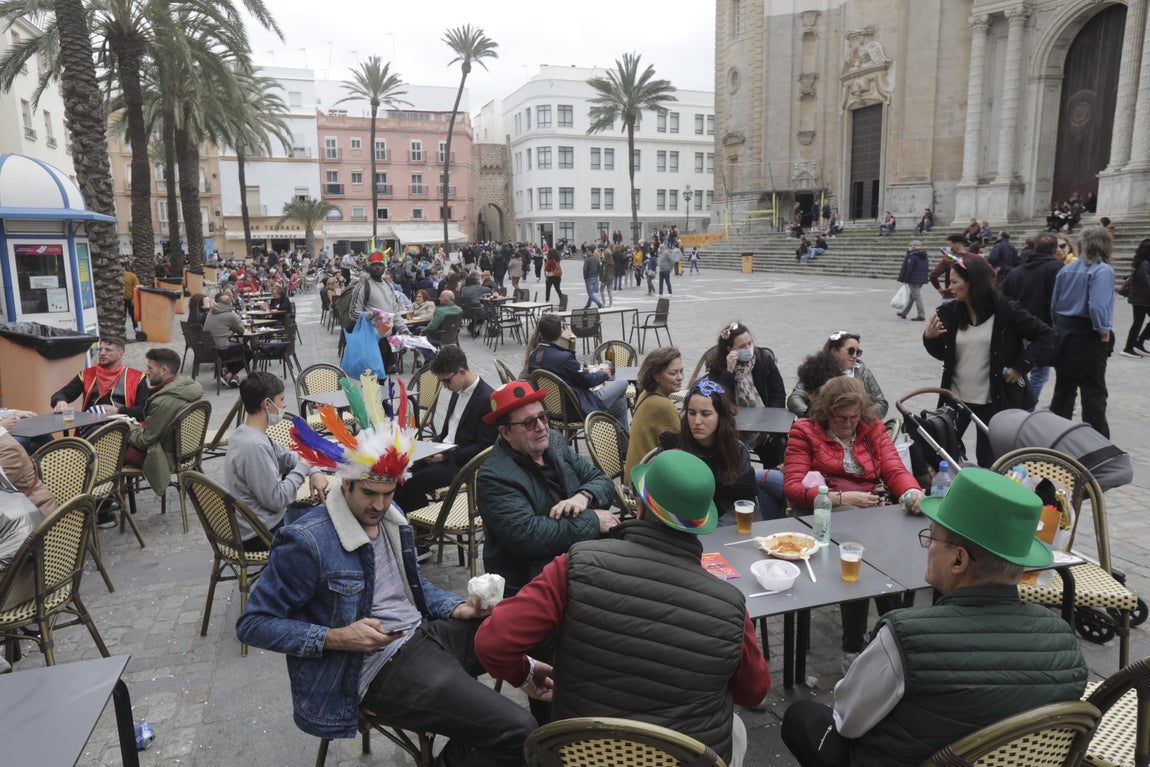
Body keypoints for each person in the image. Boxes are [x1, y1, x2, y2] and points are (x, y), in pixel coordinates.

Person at [235, 417, 537, 764]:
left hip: (425, 633)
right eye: (369, 493)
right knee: (520, 730)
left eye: (388, 493)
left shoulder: (390, 516)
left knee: (532, 630)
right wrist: (335, 637)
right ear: (345, 484)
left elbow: (409, 583)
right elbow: (252, 624)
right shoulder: (307, 541)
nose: (379, 505)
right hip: (378, 668)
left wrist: (456, 608)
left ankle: (557, 746)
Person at [475, 450, 771, 767]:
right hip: (682, 759)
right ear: (701, 525)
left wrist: (526, 674)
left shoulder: (575, 565)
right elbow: (754, 693)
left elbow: (491, 642)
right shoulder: (730, 606)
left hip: (583, 756)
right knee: (735, 730)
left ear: (641, 505)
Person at [781, 468, 1088, 767]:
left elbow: (847, 720)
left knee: (801, 716)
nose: (927, 545)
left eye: (932, 537)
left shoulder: (906, 636)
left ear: (958, 560)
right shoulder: (1065, 642)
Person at [783, 377, 924, 667]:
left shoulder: (870, 428)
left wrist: (910, 492)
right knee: (862, 556)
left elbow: (893, 467)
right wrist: (841, 497)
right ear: (825, 412)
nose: (849, 424)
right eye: (840, 418)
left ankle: (883, 634)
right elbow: (793, 488)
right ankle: (869, 640)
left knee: (883, 548)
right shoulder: (804, 431)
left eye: (854, 416)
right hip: (819, 514)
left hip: (866, 514)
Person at [475, 381, 617, 597]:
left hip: (579, 557)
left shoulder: (554, 442)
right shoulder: (493, 477)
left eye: (543, 417)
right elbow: (528, 535)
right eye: (529, 423)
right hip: (532, 581)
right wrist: (593, 520)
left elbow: (602, 481)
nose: (541, 427)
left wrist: (583, 496)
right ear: (505, 432)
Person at [924, 255, 1056, 465]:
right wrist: (930, 339)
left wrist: (1020, 367)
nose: (950, 287)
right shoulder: (949, 313)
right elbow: (944, 353)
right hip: (956, 399)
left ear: (973, 283)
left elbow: (1046, 335)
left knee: (991, 459)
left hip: (994, 400)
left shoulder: (1005, 310)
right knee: (944, 454)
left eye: (955, 282)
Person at [224, 372, 329, 551]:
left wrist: (314, 471)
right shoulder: (255, 446)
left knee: (325, 512)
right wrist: (304, 467)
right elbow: (277, 499)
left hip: (261, 521)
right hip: (261, 534)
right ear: (267, 404)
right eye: (281, 399)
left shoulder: (245, 432)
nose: (285, 405)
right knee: (331, 523)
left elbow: (287, 456)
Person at [393, 346, 497, 515]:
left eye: (447, 381)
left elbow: (484, 447)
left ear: (462, 372)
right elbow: (449, 432)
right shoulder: (457, 390)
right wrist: (430, 446)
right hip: (444, 452)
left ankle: (421, 529)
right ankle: (408, 522)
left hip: (464, 463)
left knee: (412, 482)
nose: (445, 386)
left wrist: (445, 455)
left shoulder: (487, 398)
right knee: (398, 471)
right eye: (442, 381)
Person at [662, 379, 782, 523]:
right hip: (679, 526)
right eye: (692, 413)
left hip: (723, 529)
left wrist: (717, 530)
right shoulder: (672, 446)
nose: (697, 421)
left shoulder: (736, 451)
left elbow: (744, 501)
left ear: (721, 417)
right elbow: (658, 496)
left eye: (705, 414)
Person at [1049, 226, 1116, 437]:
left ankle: (1056, 437)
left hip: (1065, 331)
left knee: (1064, 390)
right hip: (1089, 334)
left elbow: (1054, 305)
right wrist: (1103, 331)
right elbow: (1097, 305)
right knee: (1093, 393)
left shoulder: (1066, 269)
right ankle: (1097, 442)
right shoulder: (1103, 270)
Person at [124, 348, 205, 495]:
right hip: (188, 449)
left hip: (167, 456)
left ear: (163, 370)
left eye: (150, 368)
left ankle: (108, 503)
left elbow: (145, 441)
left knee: (112, 450)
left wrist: (129, 427)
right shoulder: (187, 386)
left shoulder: (163, 402)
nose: (146, 372)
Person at [705, 321, 787, 466]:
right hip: (733, 426)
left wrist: (769, 426)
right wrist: (728, 372)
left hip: (764, 424)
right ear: (730, 349)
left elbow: (778, 393)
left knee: (777, 444)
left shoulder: (763, 359)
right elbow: (718, 400)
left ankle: (772, 479)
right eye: (742, 346)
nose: (748, 349)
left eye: (750, 343)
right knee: (729, 450)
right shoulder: (718, 368)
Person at [526, 314, 630, 426]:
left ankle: (626, 442)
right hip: (577, 408)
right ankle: (599, 425)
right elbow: (588, 382)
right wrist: (604, 373)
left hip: (551, 411)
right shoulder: (563, 357)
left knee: (620, 404)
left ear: (540, 333)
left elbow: (570, 372)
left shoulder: (533, 356)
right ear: (561, 333)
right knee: (623, 382)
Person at [999, 232, 1063, 403]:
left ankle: (1012, 404)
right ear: (1055, 249)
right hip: (1042, 330)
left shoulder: (1016, 271)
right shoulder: (1057, 269)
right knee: (1038, 374)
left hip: (1017, 329)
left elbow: (1000, 295)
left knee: (1017, 370)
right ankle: (1024, 408)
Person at [787, 332, 888, 419]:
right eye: (851, 351)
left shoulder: (864, 372)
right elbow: (795, 398)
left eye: (858, 352)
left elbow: (881, 403)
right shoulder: (817, 369)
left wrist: (859, 417)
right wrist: (813, 415)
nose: (855, 356)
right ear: (834, 351)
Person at [50, 336, 149, 420]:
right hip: (90, 429)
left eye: (108, 350)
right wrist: (60, 401)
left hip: (123, 429)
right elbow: (60, 394)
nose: (102, 353)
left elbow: (145, 410)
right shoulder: (87, 374)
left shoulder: (137, 378)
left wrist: (119, 410)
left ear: (120, 354)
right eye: (100, 349)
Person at [623, 347, 683, 483]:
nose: (680, 377)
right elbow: (683, 449)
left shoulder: (645, 394)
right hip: (644, 486)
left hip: (634, 476)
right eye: (673, 373)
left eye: (681, 371)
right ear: (656, 375)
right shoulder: (663, 405)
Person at [349, 251, 408, 373]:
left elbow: (395, 311)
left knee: (384, 379)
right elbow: (353, 313)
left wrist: (403, 329)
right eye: (374, 264)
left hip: (387, 340)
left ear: (384, 267)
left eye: (380, 264)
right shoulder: (362, 287)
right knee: (372, 380)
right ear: (369, 266)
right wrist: (370, 315)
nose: (377, 267)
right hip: (371, 341)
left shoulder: (389, 285)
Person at [202, 293, 249, 388]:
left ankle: (232, 377)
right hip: (221, 350)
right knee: (248, 352)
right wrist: (237, 318)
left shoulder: (211, 312)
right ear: (230, 304)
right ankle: (230, 374)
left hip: (208, 349)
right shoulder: (230, 315)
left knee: (234, 348)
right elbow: (242, 331)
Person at [1121, 238, 1150, 356]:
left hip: (1142, 298)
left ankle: (1138, 343)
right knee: (1137, 322)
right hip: (1141, 299)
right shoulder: (1144, 264)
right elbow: (1146, 282)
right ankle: (1129, 348)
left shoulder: (1144, 262)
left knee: (1137, 322)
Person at [895, 241, 929, 320]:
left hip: (913, 279)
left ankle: (921, 314)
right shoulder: (923, 255)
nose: (909, 247)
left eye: (910, 245)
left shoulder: (912, 255)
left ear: (913, 246)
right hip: (921, 279)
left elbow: (909, 269)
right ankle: (904, 313)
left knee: (917, 297)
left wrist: (905, 280)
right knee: (912, 297)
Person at [122, 262, 140, 333]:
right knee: (122, 315)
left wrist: (134, 298)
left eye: (121, 267)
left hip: (130, 298)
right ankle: (122, 328)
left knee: (132, 313)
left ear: (124, 267)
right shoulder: (117, 277)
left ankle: (135, 326)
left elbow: (137, 287)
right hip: (121, 299)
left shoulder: (132, 276)